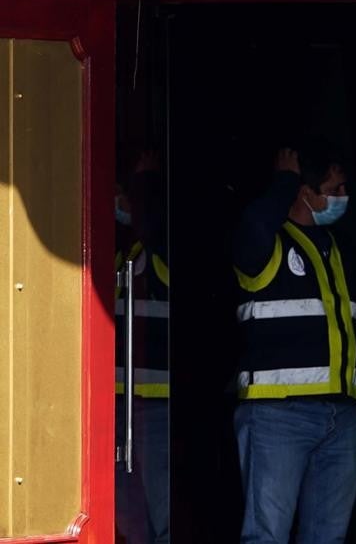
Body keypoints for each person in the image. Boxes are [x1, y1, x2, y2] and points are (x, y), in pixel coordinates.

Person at [232, 142, 356, 544]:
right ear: (305, 193)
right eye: (334, 188)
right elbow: (253, 226)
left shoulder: (342, 250)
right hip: (278, 414)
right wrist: (284, 182)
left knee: (327, 537)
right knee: (266, 536)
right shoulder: (266, 245)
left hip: (341, 416)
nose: (342, 198)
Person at [114, 150, 170, 544]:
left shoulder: (162, 253)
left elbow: (152, 227)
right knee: (126, 518)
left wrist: (146, 184)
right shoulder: (113, 255)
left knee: (164, 517)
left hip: (156, 404)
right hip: (112, 405)